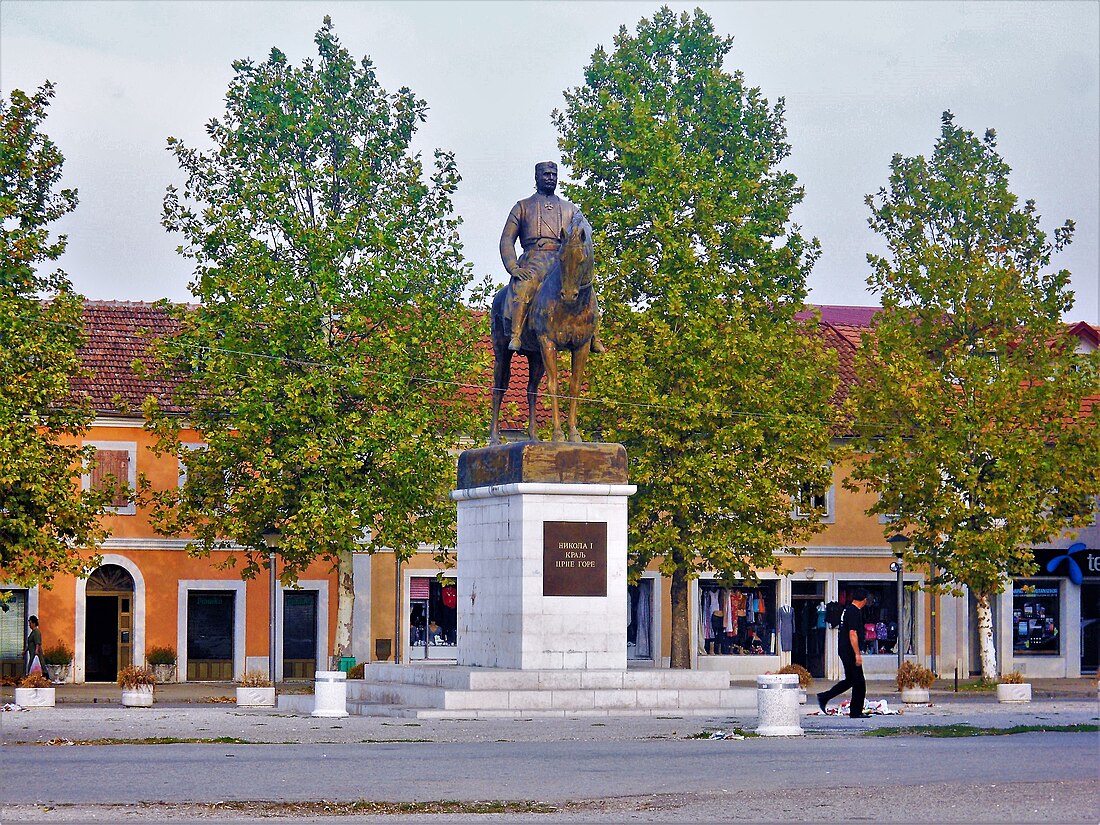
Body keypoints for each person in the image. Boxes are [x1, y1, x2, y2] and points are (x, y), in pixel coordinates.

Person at [499, 161, 604, 353]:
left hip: (561, 260)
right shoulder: (522, 207)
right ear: (537, 177)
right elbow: (507, 239)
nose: (550, 178)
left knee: (585, 288)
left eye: (554, 175)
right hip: (533, 260)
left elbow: (583, 228)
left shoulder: (570, 209)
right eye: (546, 174)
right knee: (525, 286)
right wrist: (513, 267)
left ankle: (594, 334)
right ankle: (516, 334)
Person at [817, 589, 869, 718]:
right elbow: (853, 633)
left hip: (845, 649)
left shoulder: (847, 609)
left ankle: (824, 697)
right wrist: (857, 654)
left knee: (851, 680)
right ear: (864, 600)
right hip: (849, 650)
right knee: (859, 683)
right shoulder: (854, 612)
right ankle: (855, 712)